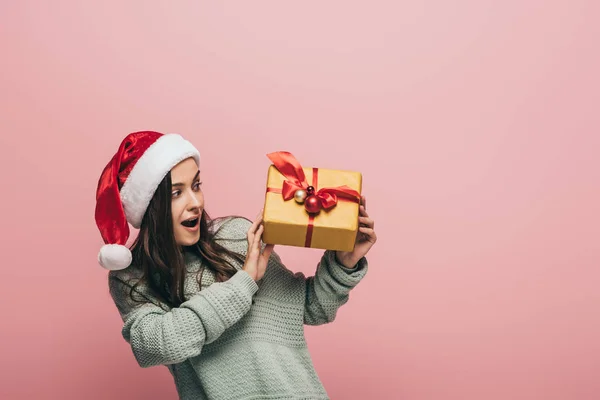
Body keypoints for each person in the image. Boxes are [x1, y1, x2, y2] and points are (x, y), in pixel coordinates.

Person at [94, 131, 377, 400]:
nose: (195, 203)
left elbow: (310, 307)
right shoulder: (133, 279)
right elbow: (159, 344)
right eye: (176, 193)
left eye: (196, 185)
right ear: (149, 207)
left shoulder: (236, 236)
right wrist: (244, 281)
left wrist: (344, 263)